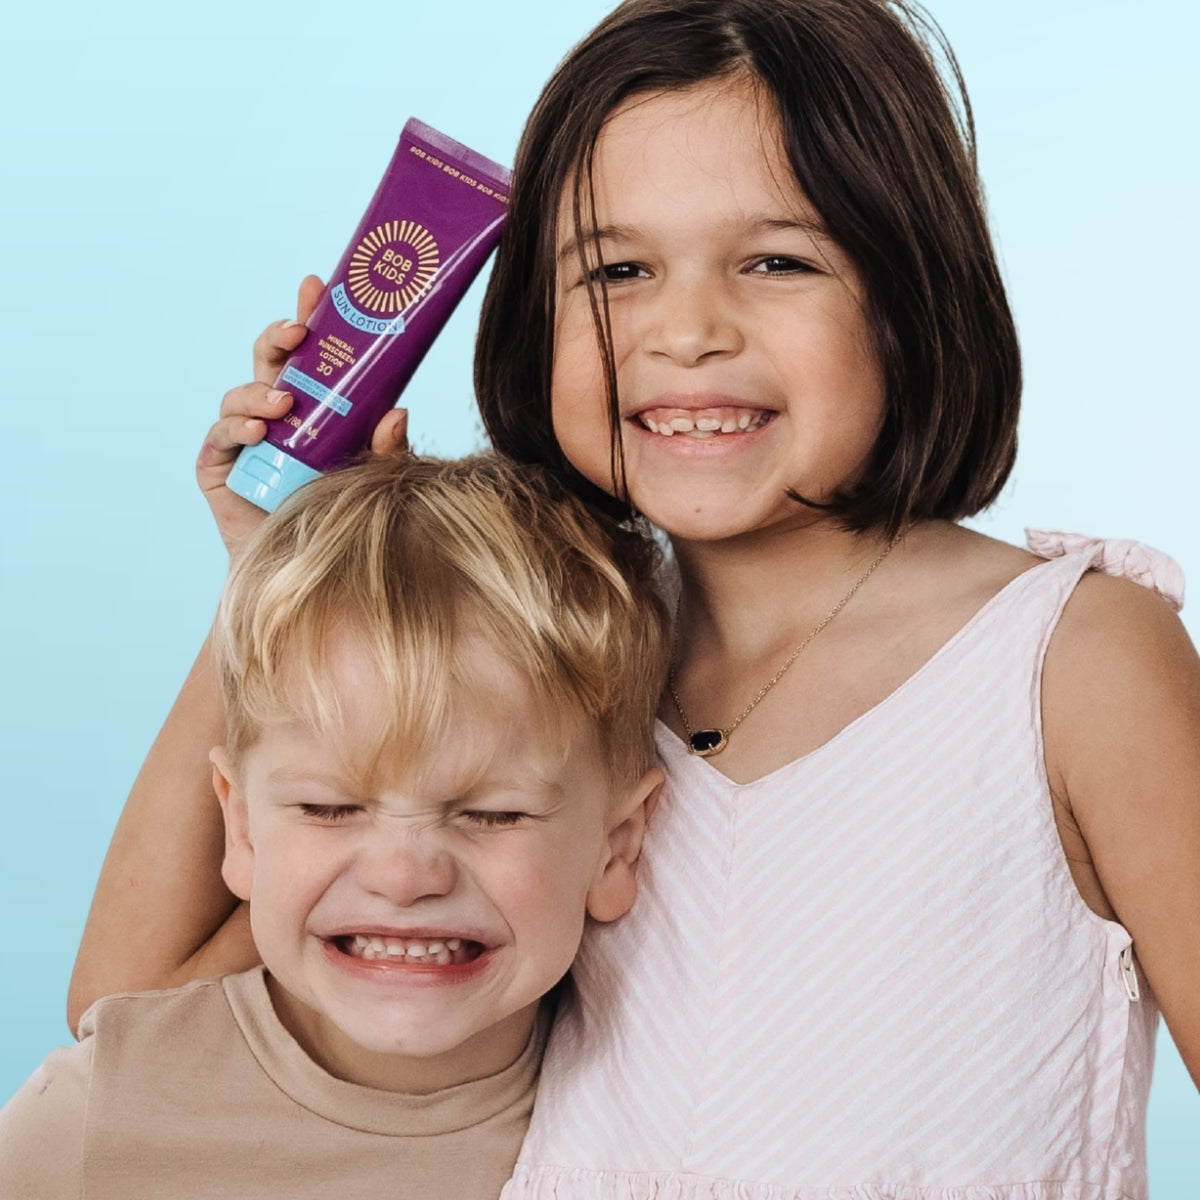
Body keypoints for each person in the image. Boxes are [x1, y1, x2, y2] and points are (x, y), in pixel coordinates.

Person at [71, 0, 1199, 1195]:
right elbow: (134, 1026)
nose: (689, 331)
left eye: (778, 261)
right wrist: (280, 571)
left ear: (909, 291)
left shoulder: (1075, 661)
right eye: (616, 269)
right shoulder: (537, 655)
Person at [2, 453, 666, 1198]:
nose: (404, 877)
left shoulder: (664, 1119)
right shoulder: (99, 1118)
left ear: (618, 845)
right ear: (242, 828)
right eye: (329, 808)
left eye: (491, 813)